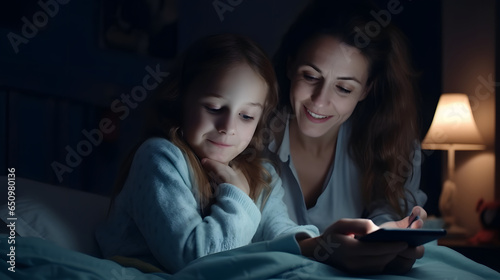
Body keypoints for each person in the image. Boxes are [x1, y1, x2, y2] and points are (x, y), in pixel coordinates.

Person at [95, 33, 321, 274]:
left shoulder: (262, 174)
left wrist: (317, 245)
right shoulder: (157, 158)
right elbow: (195, 259)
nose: (228, 127)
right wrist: (237, 197)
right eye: (214, 108)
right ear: (181, 100)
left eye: (246, 116)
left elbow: (278, 230)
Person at [269, 0, 428, 273]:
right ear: (289, 66)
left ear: (366, 90)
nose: (320, 101)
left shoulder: (387, 142)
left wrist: (392, 235)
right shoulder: (246, 133)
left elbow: (388, 210)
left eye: (343, 88)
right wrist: (318, 249)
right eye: (310, 76)